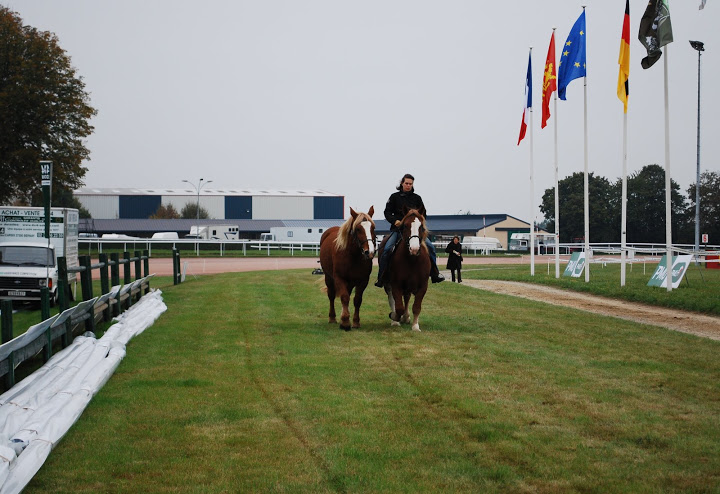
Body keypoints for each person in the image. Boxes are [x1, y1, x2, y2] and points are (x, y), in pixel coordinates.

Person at [374, 173, 444, 287]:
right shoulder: (394, 197)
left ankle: (435, 274)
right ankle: (382, 277)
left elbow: (423, 214)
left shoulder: (417, 198)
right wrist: (394, 221)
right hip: (398, 231)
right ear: (402, 183)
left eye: (410, 184)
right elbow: (387, 212)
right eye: (406, 183)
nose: (408, 185)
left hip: (415, 231)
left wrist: (418, 223)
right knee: (386, 249)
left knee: (430, 247)